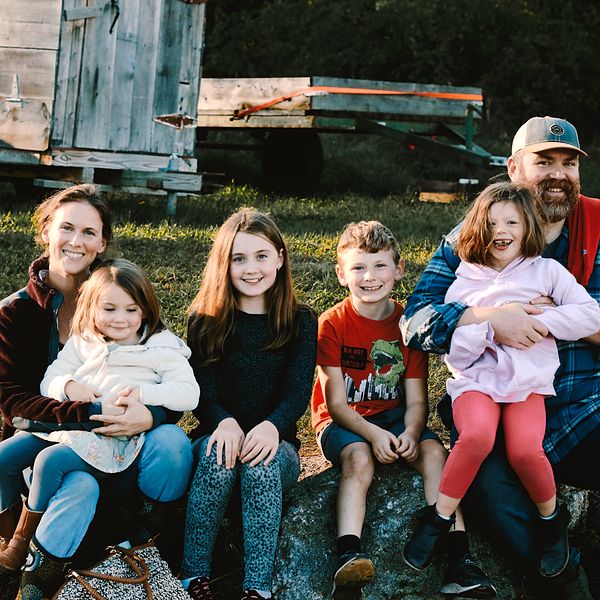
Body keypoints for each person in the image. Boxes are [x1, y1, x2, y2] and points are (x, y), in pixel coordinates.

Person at [400, 116, 600, 599]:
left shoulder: (598, 226)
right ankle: (565, 585)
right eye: (543, 161)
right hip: (490, 398)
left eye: (568, 163)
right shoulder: (470, 237)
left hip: (584, 405)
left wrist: (557, 317)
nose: (558, 174)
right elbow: (415, 321)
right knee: (486, 486)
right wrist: (490, 317)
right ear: (513, 169)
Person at [0, 185, 193, 599]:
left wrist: (151, 415)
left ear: (102, 241)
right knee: (71, 484)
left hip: (123, 445)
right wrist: (91, 410)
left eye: (89, 232)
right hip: (50, 440)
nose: (76, 241)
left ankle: (140, 533)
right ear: (46, 231)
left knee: (170, 441)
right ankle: (21, 562)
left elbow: (169, 385)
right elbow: (14, 403)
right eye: (66, 227)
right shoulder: (14, 314)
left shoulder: (119, 294)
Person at [311, 220, 496, 598]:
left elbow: (416, 400)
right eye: (359, 267)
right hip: (343, 421)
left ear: (398, 269)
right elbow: (336, 404)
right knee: (360, 458)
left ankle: (459, 560)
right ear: (341, 274)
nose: (369, 276)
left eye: (380, 266)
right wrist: (374, 434)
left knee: (435, 453)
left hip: (397, 417)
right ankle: (348, 558)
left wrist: (411, 433)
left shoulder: (407, 324)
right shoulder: (331, 324)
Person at [180, 208, 317, 600]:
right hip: (216, 436)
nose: (251, 268)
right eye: (238, 258)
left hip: (278, 445)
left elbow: (296, 392)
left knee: (260, 467)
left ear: (279, 257)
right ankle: (193, 576)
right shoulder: (205, 319)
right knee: (217, 458)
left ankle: (257, 586)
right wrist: (222, 422)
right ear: (224, 264)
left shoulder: (300, 321)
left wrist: (272, 426)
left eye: (260, 256)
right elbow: (201, 391)